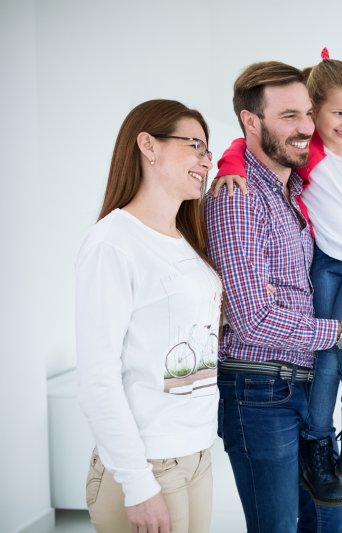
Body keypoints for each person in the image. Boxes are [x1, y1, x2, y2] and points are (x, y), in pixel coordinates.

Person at [214, 48, 342, 507]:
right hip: (272, 366)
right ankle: (325, 440)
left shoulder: (322, 172)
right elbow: (240, 146)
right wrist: (229, 167)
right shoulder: (284, 170)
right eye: (336, 112)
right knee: (337, 347)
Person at [76, 99, 228, 533]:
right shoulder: (113, 243)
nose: (207, 160)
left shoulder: (186, 242)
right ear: (149, 145)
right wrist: (138, 484)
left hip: (198, 451)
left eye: (208, 150)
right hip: (148, 461)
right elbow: (97, 378)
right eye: (196, 145)